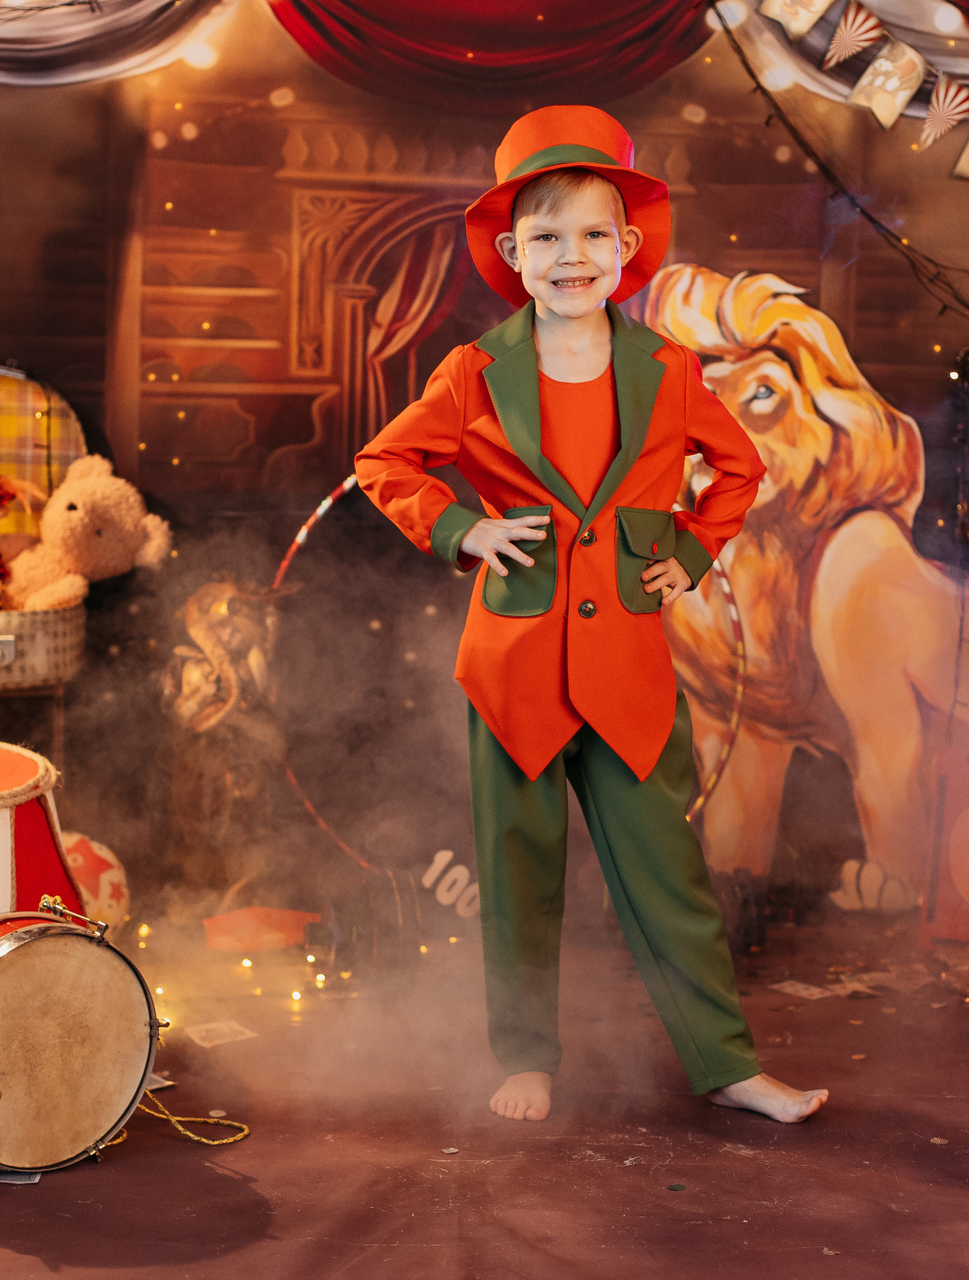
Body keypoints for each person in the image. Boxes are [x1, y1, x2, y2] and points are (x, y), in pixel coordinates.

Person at [355, 105, 826, 1124]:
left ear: (626, 248)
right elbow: (384, 462)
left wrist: (689, 553)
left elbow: (739, 468)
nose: (571, 256)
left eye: (593, 235)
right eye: (547, 237)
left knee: (669, 875)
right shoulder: (475, 372)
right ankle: (524, 1056)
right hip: (512, 666)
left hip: (626, 668)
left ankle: (727, 1063)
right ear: (513, 256)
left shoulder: (668, 369)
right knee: (517, 876)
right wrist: (461, 530)